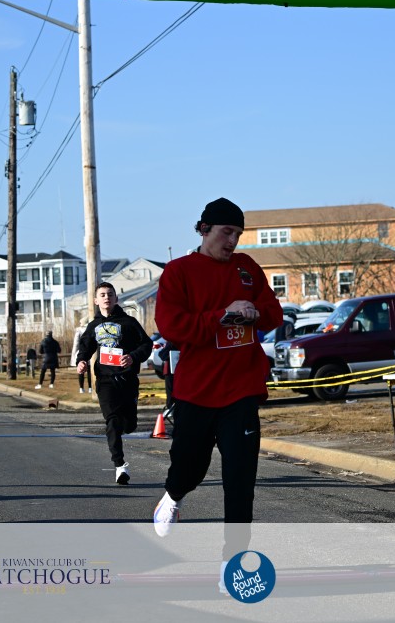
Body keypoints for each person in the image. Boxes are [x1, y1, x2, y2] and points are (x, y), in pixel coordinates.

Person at [152, 197, 283, 559]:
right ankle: (173, 496)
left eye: (238, 234)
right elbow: (172, 326)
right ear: (204, 229)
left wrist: (254, 312)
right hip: (196, 391)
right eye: (227, 232)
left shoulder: (247, 268)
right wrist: (223, 315)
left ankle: (234, 561)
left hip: (242, 390)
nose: (232, 241)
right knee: (189, 468)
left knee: (240, 479)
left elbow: (274, 312)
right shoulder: (179, 271)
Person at [75, 282, 153, 485]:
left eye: (110, 294)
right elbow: (85, 348)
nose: (106, 297)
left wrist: (133, 357)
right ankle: (120, 465)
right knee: (112, 420)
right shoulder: (93, 326)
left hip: (127, 379)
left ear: (116, 299)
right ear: (96, 300)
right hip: (105, 381)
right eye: (102, 294)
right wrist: (81, 361)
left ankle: (126, 425)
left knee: (129, 424)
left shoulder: (129, 323)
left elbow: (147, 344)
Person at [71, 326, 92, 394]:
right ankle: (90, 388)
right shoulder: (91, 327)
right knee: (89, 371)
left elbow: (76, 344)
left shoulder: (79, 331)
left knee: (81, 371)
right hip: (91, 353)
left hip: (81, 352)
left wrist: (74, 356)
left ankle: (81, 388)